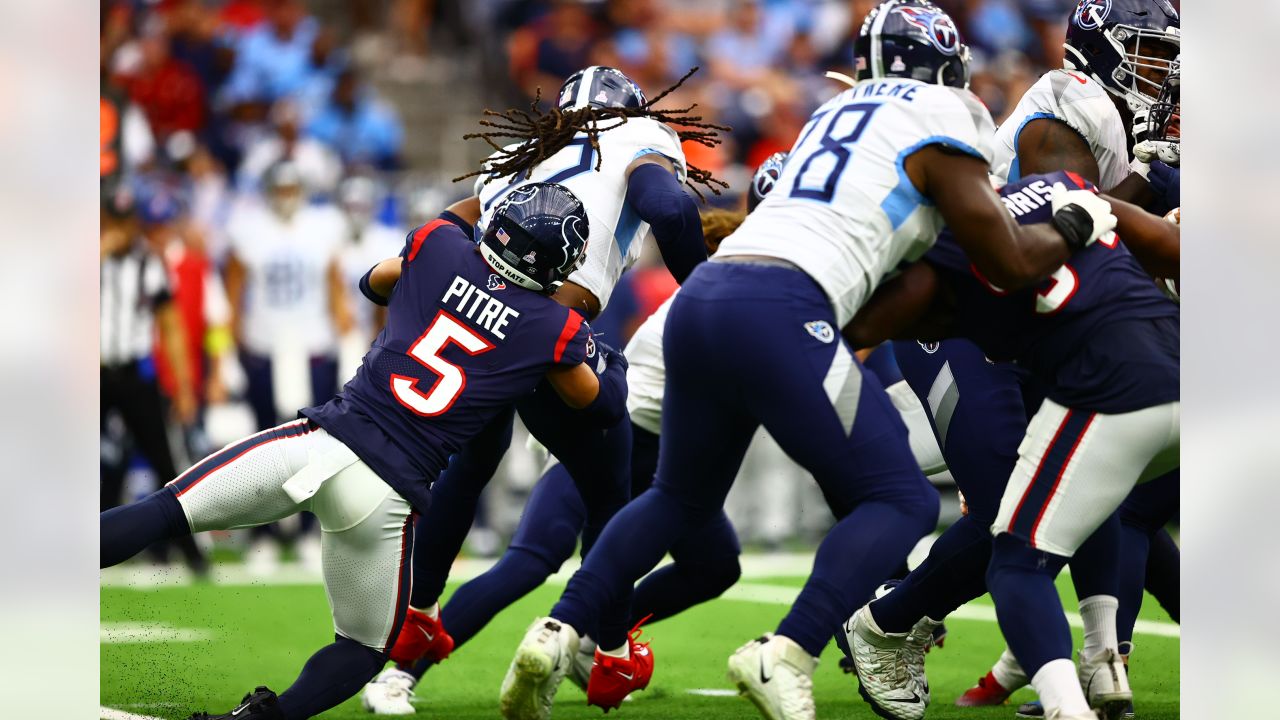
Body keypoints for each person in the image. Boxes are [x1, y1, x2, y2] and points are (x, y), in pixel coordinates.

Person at [498, 3, 1118, 720]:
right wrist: (1076, 219)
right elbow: (1005, 260)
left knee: (679, 498)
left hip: (702, 298)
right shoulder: (949, 115)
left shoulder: (834, 111)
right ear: (949, 66)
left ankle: (559, 628)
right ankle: (788, 649)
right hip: (781, 304)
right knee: (903, 500)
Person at [100, 182, 630, 720]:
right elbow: (601, 406)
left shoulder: (439, 245)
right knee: (362, 650)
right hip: (385, 497)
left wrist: (499, 184)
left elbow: (374, 282)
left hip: (318, 443)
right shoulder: (553, 328)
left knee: (164, 510)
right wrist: (615, 366)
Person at [367, 65, 725, 712]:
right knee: (607, 484)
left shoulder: (516, 153)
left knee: (473, 463)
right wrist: (711, 295)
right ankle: (610, 649)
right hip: (545, 334)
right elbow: (670, 208)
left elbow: (447, 229)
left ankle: (414, 626)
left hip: (471, 323)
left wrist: (401, 284)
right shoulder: (635, 138)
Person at [842, 171, 1179, 720]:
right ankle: (892, 623)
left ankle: (1089, 664)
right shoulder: (1058, 176)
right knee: (1054, 505)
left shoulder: (1037, 192)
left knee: (1031, 540)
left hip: (1103, 373)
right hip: (1165, 368)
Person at [100, 189, 206, 575]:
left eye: (127, 223)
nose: (122, 231)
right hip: (94, 376)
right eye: (115, 221)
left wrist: (182, 384)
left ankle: (191, 553)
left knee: (166, 464)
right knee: (97, 466)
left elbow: (171, 325)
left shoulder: (149, 264)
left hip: (134, 374)